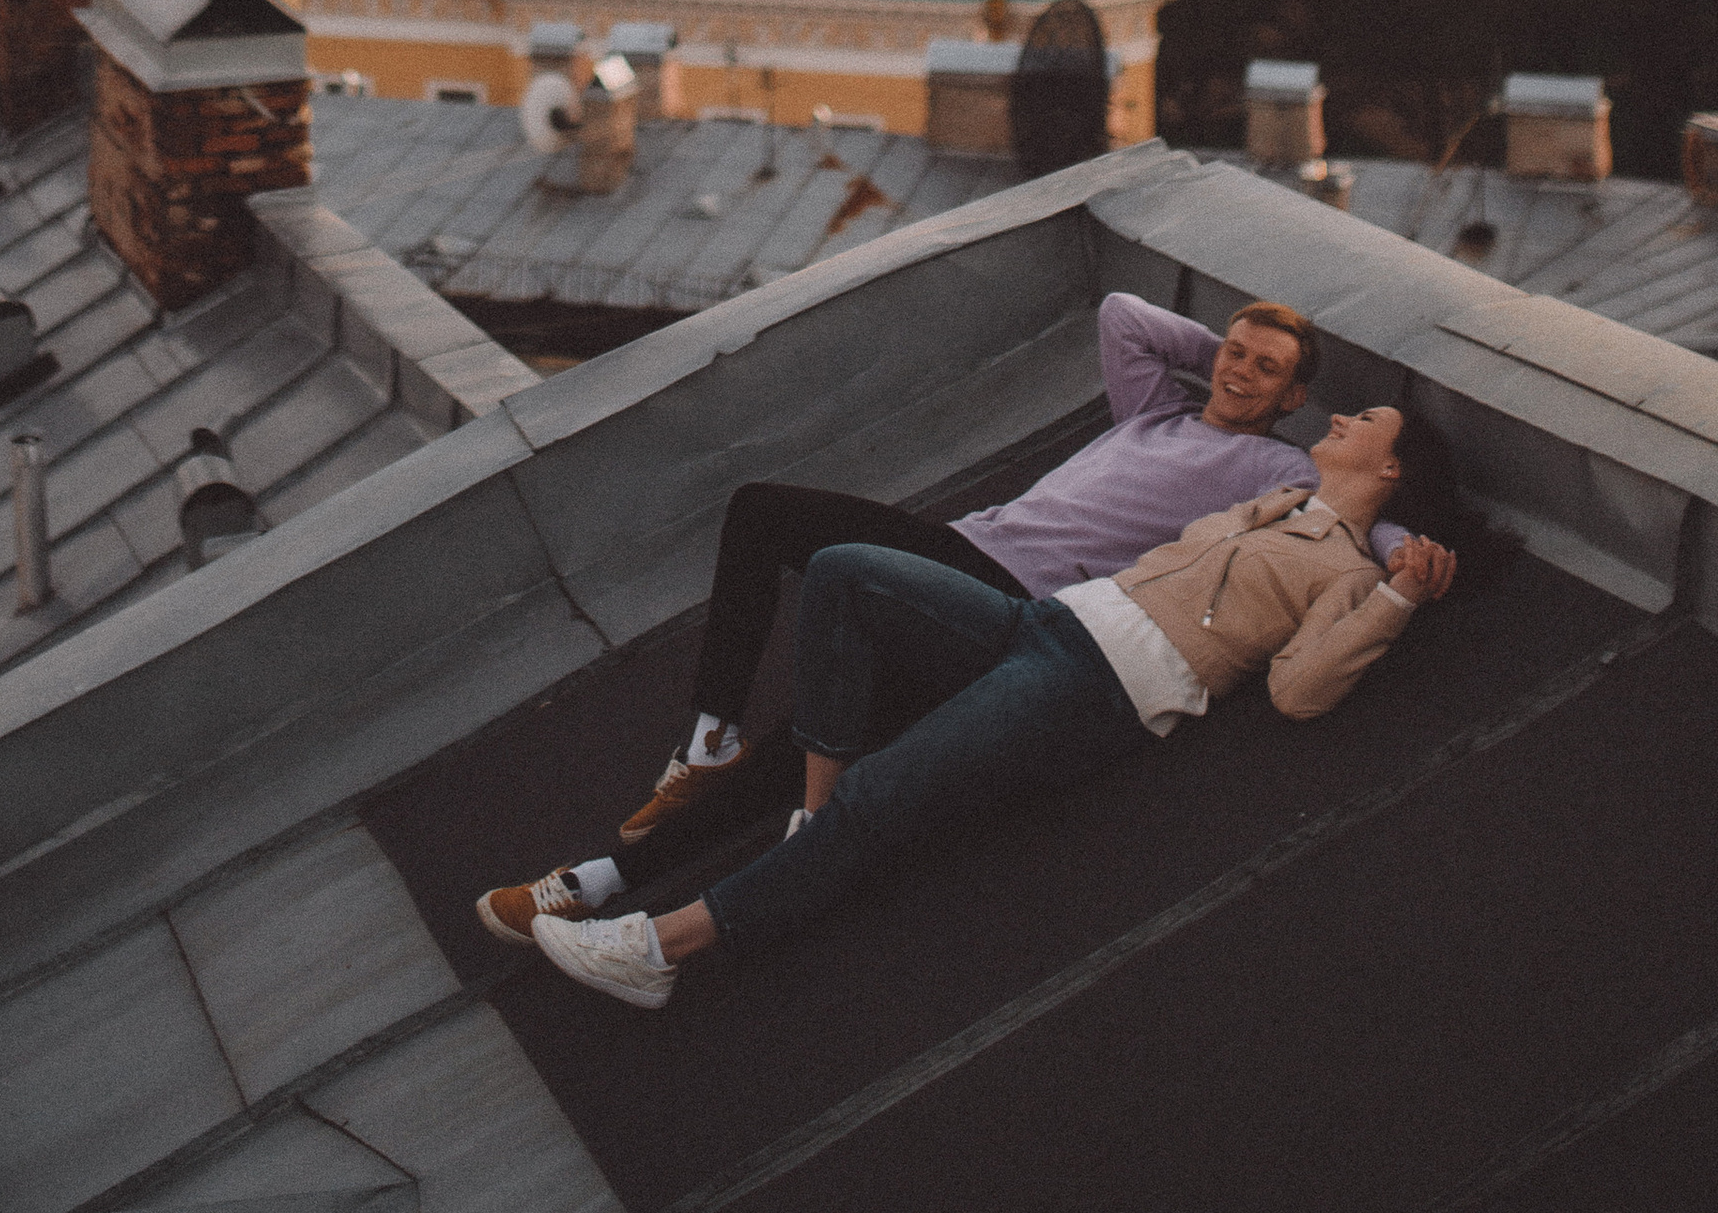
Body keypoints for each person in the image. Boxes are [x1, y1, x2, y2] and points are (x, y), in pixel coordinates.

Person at [479, 289, 1364, 943]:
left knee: (780, 601)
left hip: (1006, 599)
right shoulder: (1154, 407)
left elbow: (1372, 516)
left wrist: (1411, 565)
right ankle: (646, 818)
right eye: (1235, 354)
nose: (1239, 370)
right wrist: (1233, 348)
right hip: (954, 559)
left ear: (1294, 399)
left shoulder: (1266, 469)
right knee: (790, 710)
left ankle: (630, 850)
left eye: (1265, 368)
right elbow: (1122, 312)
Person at [526, 398, 1465, 1010]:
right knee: (845, 574)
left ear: (1394, 467)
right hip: (1042, 620)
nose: (1341, 414)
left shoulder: (1351, 571)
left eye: (1367, 418)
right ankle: (807, 815)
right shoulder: (1283, 501)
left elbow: (1300, 690)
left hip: (1098, 686)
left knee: (882, 799)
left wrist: (1398, 591)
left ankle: (658, 950)